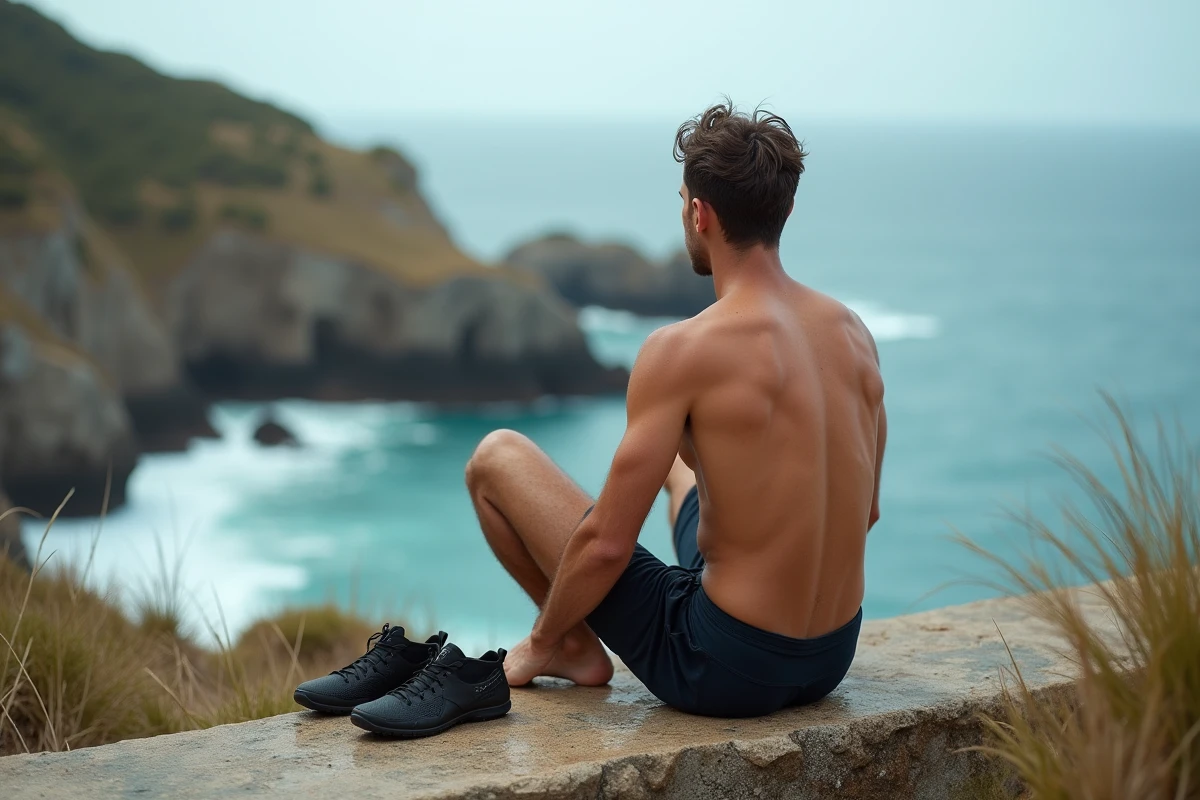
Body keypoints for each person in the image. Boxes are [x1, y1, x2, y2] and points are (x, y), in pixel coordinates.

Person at [465, 101, 886, 717]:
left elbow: (608, 545)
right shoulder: (853, 333)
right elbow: (866, 512)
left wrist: (537, 640)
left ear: (699, 213)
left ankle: (571, 647)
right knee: (680, 469)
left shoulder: (682, 349)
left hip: (723, 666)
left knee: (496, 457)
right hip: (829, 657)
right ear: (785, 209)